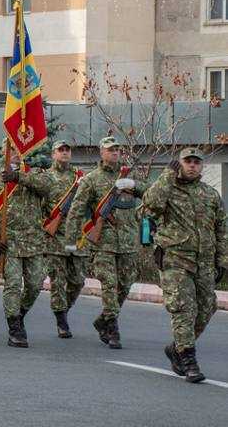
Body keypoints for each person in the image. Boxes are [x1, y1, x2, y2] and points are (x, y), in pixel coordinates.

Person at [141, 147, 227, 383]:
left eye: (196, 162)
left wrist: (223, 261)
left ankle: (177, 347)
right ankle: (189, 360)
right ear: (179, 164)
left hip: (204, 263)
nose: (192, 166)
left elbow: (221, 228)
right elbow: (151, 204)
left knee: (208, 307)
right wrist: (167, 175)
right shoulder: (168, 189)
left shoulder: (210, 194)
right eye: (187, 161)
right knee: (183, 309)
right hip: (175, 260)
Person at [65, 136, 144, 349]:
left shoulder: (129, 174)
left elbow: (150, 193)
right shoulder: (92, 179)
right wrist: (71, 240)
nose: (115, 153)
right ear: (102, 152)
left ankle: (103, 320)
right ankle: (112, 327)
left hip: (128, 242)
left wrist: (134, 186)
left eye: (117, 149)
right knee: (110, 285)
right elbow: (76, 210)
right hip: (103, 244)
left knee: (125, 285)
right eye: (110, 150)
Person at [0, 147, 51, 348]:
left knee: (35, 284)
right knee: (13, 285)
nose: (16, 153)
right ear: (5, 152)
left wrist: (17, 177)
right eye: (12, 150)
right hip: (7, 243)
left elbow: (47, 187)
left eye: (19, 150)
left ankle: (19, 313)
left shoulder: (34, 174)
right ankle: (15, 327)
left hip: (33, 241)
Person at [42, 140, 87, 338]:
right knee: (58, 282)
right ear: (53, 154)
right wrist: (45, 225)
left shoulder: (80, 178)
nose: (65, 153)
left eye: (68, 150)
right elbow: (39, 207)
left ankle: (64, 309)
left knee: (78, 281)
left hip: (75, 237)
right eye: (61, 150)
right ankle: (61, 320)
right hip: (54, 238)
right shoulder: (46, 178)